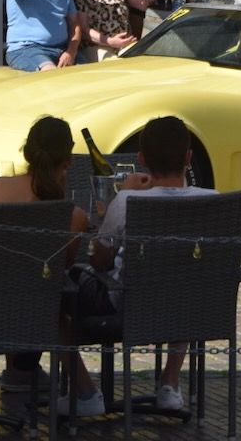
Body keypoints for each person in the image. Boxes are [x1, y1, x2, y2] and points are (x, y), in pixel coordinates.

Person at [60, 116, 214, 417]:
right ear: (188, 158)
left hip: (128, 305)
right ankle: (169, 382)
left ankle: (85, 392)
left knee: (54, 297)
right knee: (186, 279)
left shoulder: (128, 200)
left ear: (141, 159)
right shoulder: (212, 202)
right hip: (188, 307)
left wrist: (118, 200)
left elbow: (100, 260)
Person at [0, 116, 91, 407]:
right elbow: (61, 267)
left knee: (12, 283)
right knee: (54, 299)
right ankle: (86, 392)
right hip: (37, 313)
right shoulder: (72, 216)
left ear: (27, 150)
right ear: (68, 160)